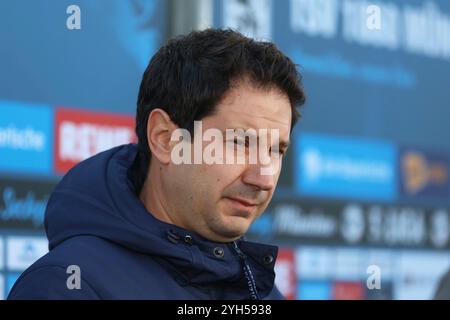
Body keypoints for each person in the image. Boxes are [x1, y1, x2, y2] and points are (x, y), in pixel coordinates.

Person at [8, 28, 305, 300]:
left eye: (276, 150)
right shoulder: (67, 287)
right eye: (240, 143)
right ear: (165, 139)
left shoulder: (257, 287)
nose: (263, 178)